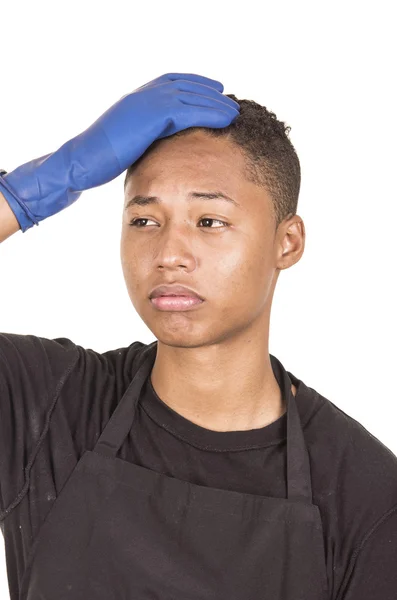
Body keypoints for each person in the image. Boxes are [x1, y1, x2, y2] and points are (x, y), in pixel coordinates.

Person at [0, 73, 396, 600]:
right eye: (144, 220)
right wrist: (30, 192)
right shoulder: (47, 404)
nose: (169, 253)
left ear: (288, 242)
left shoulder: (366, 497)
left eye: (209, 221)